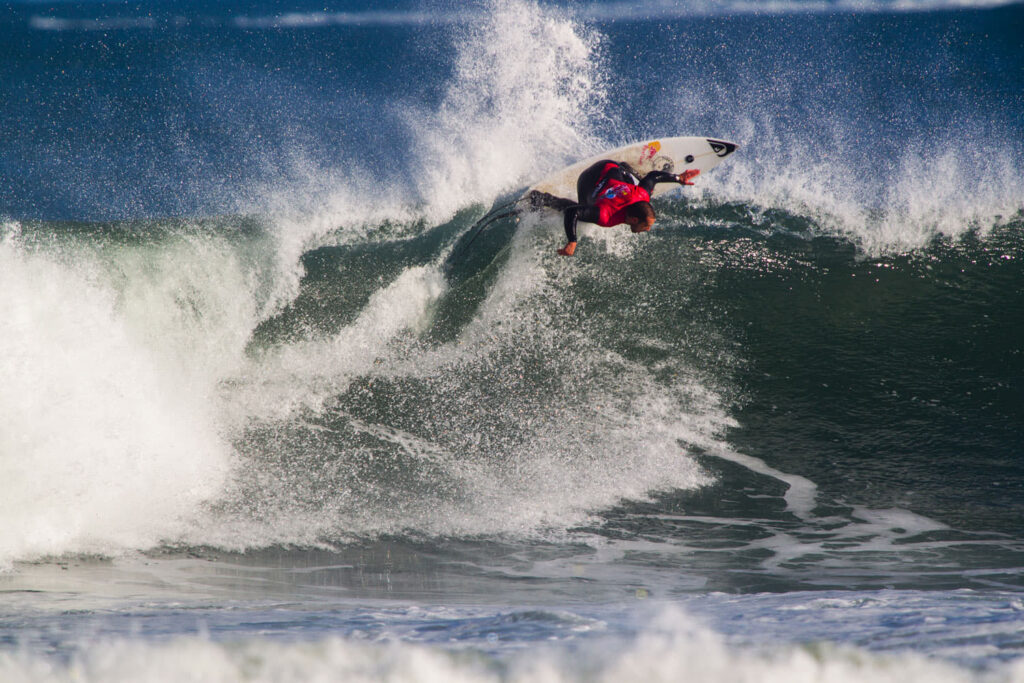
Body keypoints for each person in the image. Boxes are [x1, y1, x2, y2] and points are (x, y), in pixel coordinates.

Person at [527, 161, 700, 256]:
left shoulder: (642, 195)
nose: (647, 230)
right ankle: (541, 198)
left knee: (633, 182)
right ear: (634, 219)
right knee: (581, 209)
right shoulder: (606, 216)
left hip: (613, 168)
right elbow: (573, 212)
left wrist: (678, 178)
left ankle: (626, 167)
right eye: (645, 226)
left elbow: (653, 176)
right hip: (591, 178)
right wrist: (572, 241)